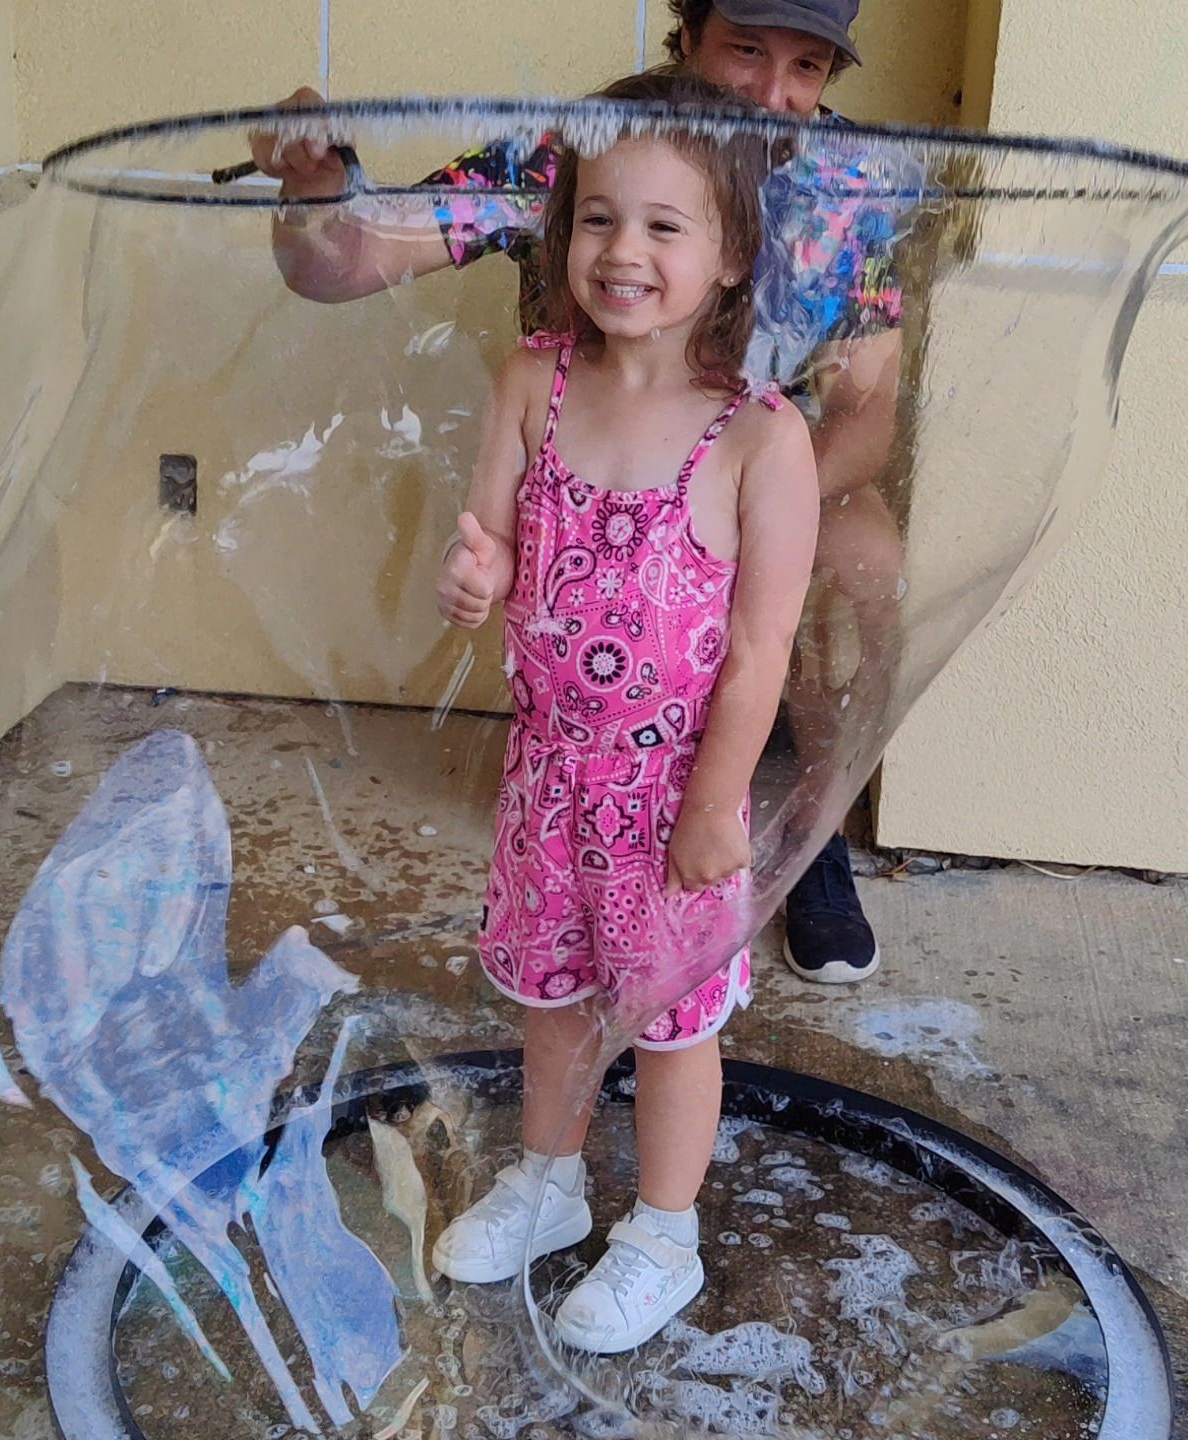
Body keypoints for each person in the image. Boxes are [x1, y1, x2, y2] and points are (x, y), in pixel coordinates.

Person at [250, 0, 899, 985]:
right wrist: (315, 185)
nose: (773, 94)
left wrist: (749, 506)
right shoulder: (576, 150)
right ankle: (578, 792)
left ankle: (812, 828)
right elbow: (339, 263)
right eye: (747, 50)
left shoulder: (849, 182)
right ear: (688, 32)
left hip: (761, 477)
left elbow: (871, 411)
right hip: (581, 490)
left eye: (806, 67)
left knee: (871, 561)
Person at [430, 71, 819, 1352]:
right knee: (551, 1002)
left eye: (664, 225)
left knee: (667, 1023)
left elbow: (760, 647)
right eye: (597, 219)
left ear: (732, 253)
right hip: (550, 777)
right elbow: (494, 538)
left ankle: (662, 1232)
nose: (623, 251)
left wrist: (717, 804)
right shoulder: (533, 381)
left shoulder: (759, 437)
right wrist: (474, 576)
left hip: (671, 799)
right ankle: (547, 1182)